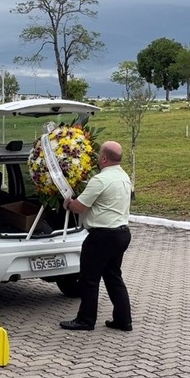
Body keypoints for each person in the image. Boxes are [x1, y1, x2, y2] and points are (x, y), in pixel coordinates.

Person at [59, 140, 133, 332]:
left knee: (89, 279)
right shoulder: (124, 177)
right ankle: (123, 320)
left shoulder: (100, 180)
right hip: (121, 233)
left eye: (100, 155)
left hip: (102, 236)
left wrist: (68, 203)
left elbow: (80, 207)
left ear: (104, 158)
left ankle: (85, 320)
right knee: (113, 277)